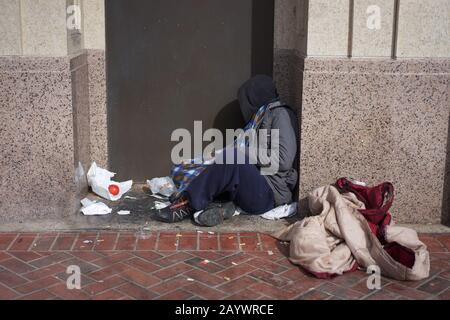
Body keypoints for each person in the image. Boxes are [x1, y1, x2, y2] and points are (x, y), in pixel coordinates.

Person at [154, 75, 298, 226]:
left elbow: (283, 160)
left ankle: (186, 205)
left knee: (233, 157)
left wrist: (243, 151)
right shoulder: (263, 116)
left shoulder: (280, 114)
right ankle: (220, 206)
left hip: (270, 195)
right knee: (221, 160)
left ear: (254, 97)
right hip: (258, 187)